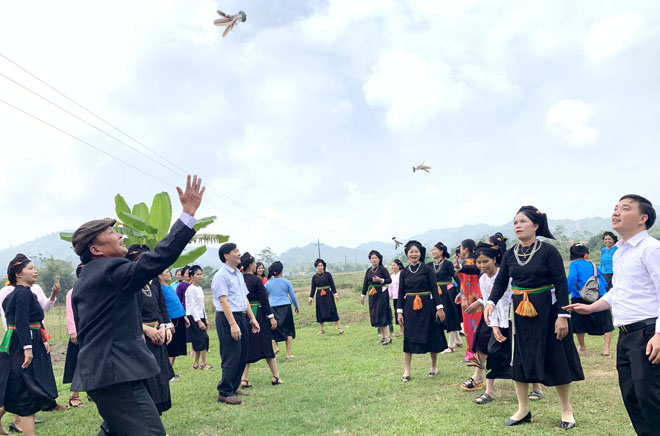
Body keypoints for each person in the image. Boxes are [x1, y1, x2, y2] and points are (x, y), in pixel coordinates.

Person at [69, 174, 203, 436]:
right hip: (116, 375)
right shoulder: (111, 271)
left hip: (106, 373)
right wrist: (187, 214)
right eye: (111, 232)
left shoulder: (89, 276)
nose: (120, 235)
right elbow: (157, 259)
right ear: (96, 249)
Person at [564, 195, 660, 436]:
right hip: (626, 335)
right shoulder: (619, 253)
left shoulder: (652, 249)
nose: (616, 212)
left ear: (643, 218)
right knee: (633, 396)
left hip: (648, 333)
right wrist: (591, 307)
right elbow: (619, 292)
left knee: (651, 397)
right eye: (615, 208)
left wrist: (659, 333)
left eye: (625, 209)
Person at [484, 205, 583, 429]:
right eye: (515, 222)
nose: (517, 226)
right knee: (519, 357)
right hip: (520, 313)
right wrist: (490, 302)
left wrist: (562, 316)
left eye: (522, 222)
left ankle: (566, 410)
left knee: (555, 357)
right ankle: (523, 409)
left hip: (548, 311)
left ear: (536, 226)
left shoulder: (549, 252)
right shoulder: (510, 253)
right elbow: (501, 283)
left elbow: (560, 284)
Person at [0, 255, 58, 436]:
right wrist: (28, 348)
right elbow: (21, 321)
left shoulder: (20, 294)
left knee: (22, 388)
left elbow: (28, 321)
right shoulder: (23, 293)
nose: (35, 271)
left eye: (35, 268)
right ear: (18, 274)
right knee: (25, 389)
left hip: (21, 341)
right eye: (30, 268)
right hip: (23, 344)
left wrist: (42, 337)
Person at [125, 245, 176, 415]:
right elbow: (125, 313)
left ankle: (157, 420)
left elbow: (161, 307)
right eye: (141, 260)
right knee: (146, 381)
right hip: (139, 337)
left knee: (159, 378)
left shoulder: (154, 280)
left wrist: (164, 326)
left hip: (158, 335)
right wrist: (146, 329)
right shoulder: (128, 283)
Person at [464, 242, 512, 404]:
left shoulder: (506, 277)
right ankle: (487, 390)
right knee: (483, 346)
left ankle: (536, 387)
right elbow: (488, 300)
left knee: (518, 352)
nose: (482, 265)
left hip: (509, 319)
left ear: (494, 259)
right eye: (479, 262)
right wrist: (493, 324)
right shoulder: (483, 278)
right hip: (492, 319)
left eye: (486, 261)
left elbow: (506, 302)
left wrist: (499, 326)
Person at [212, 244, 260, 405]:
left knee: (242, 353)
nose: (239, 254)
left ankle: (233, 387)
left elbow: (244, 298)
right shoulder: (221, 275)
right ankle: (224, 392)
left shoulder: (238, 274)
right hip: (228, 318)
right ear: (226, 255)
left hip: (241, 316)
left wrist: (252, 318)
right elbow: (223, 301)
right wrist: (232, 324)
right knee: (231, 354)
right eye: (236, 252)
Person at [397, 241, 447, 382]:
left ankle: (434, 366)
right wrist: (399, 312)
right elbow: (400, 293)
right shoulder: (404, 272)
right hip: (409, 308)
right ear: (407, 254)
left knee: (432, 334)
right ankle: (407, 370)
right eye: (411, 252)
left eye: (416, 251)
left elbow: (434, 289)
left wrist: (440, 308)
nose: (414, 254)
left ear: (421, 253)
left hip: (427, 306)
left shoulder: (427, 269)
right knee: (408, 337)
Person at [238, 253, 283, 388]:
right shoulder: (256, 280)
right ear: (251, 265)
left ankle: (244, 379)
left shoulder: (239, 279)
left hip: (244, 315)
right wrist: (271, 317)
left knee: (247, 345)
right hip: (258, 315)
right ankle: (276, 376)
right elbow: (264, 300)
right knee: (266, 345)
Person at [567, 243, 613, 356]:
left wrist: (566, 292)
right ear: (585, 254)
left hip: (579, 296)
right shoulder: (593, 265)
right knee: (606, 322)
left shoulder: (574, 265)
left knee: (579, 322)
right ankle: (606, 349)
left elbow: (572, 278)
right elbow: (604, 282)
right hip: (598, 296)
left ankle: (582, 347)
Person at [428, 242, 462, 353]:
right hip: (435, 293)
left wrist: (462, 290)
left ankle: (450, 346)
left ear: (441, 251)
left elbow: (455, 277)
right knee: (439, 316)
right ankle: (458, 340)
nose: (433, 252)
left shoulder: (448, 264)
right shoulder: (429, 265)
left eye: (435, 249)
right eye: (432, 250)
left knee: (450, 316)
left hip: (448, 291)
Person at [454, 239, 483, 367]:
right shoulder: (476, 260)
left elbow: (466, 282)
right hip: (477, 294)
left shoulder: (467, 261)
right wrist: (460, 294)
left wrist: (464, 298)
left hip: (470, 297)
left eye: (461, 248)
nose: (460, 250)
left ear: (465, 249)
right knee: (479, 324)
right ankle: (482, 352)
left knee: (470, 326)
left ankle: (472, 353)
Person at [265, 262, 299, 359]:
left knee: (272, 329)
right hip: (286, 307)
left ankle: (276, 347)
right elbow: (292, 295)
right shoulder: (286, 282)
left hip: (273, 307)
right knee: (288, 330)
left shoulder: (268, 283)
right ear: (280, 271)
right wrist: (296, 306)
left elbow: (265, 297)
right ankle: (288, 354)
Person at [63, 264, 84, 408]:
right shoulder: (72, 292)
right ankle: (74, 396)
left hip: (92, 332)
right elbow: (70, 313)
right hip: (79, 331)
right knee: (78, 363)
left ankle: (92, 392)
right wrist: (73, 331)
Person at [160, 269, 189, 369]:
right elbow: (162, 306)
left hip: (179, 317)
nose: (169, 274)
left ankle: (170, 370)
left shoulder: (170, 286)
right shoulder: (160, 289)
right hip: (171, 319)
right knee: (171, 347)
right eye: (166, 272)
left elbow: (176, 302)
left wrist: (183, 316)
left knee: (176, 347)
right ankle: (168, 372)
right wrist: (168, 321)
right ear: (159, 276)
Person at [362, 250, 393, 345]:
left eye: (376, 258)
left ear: (379, 259)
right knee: (376, 314)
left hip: (382, 294)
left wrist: (381, 280)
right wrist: (362, 295)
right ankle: (382, 337)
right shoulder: (368, 271)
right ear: (370, 260)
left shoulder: (382, 269)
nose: (374, 260)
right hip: (372, 295)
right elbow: (365, 284)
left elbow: (389, 280)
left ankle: (388, 337)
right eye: (372, 258)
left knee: (382, 313)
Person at [186, 265, 212, 370]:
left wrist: (205, 318)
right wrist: (198, 321)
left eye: (201, 274)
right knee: (202, 339)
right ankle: (203, 363)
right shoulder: (191, 289)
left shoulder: (199, 288)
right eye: (197, 274)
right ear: (191, 277)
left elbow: (201, 305)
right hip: (193, 317)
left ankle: (196, 363)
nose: (200, 276)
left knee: (198, 339)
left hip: (200, 316)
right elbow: (192, 307)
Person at [309, 258, 343, 335]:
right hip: (319, 296)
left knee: (333, 310)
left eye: (321, 265)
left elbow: (332, 285)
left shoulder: (328, 275)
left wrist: (336, 295)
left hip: (328, 295)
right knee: (320, 311)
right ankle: (321, 330)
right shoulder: (314, 277)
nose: (320, 267)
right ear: (316, 267)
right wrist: (310, 298)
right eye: (318, 266)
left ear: (324, 266)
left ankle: (339, 328)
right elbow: (313, 288)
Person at [389, 259, 404, 337]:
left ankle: (405, 330)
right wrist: (390, 295)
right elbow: (390, 287)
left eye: (394, 265)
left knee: (404, 313)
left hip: (402, 297)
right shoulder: (392, 276)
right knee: (397, 313)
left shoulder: (402, 274)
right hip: (395, 297)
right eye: (392, 265)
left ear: (399, 266)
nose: (393, 267)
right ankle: (401, 329)